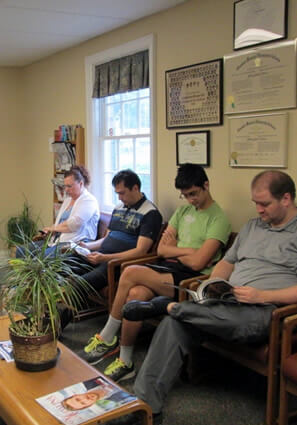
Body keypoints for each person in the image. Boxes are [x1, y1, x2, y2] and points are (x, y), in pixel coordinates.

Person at [123, 170, 297, 425]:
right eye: (255, 203)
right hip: (226, 301)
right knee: (175, 324)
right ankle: (146, 409)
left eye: (264, 204)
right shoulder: (252, 226)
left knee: (182, 315)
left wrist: (263, 294)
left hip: (263, 310)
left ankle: (169, 306)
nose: (258, 210)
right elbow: (227, 262)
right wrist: (213, 284)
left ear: (286, 198)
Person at [81, 163, 231, 382]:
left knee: (130, 272)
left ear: (206, 185)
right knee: (135, 296)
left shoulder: (218, 219)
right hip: (170, 268)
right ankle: (126, 361)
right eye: (185, 195)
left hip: (192, 280)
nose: (190, 200)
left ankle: (106, 336)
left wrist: (177, 250)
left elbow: (199, 263)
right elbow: (162, 249)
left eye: (193, 194)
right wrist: (188, 250)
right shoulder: (183, 210)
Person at [70, 169, 163, 300]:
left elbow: (140, 251)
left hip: (117, 264)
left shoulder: (150, 213)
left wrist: (105, 258)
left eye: (122, 193)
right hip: (99, 257)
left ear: (135, 188)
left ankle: (56, 316)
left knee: (77, 285)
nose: (119, 197)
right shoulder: (119, 207)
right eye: (117, 193)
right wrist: (86, 246)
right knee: (64, 265)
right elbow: (106, 239)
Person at [16, 165, 99, 257]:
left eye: (69, 186)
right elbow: (60, 223)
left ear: (81, 184)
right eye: (65, 186)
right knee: (21, 251)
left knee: (40, 260)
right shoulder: (67, 200)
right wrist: (50, 230)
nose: (66, 190)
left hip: (73, 243)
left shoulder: (89, 200)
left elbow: (75, 224)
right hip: (56, 240)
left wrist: (53, 229)